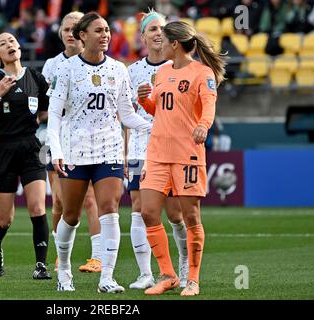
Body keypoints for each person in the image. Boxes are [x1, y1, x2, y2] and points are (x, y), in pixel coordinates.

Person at [47, 12, 152, 293]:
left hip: (109, 149)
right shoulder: (66, 70)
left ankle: (107, 277)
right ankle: (65, 271)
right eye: (98, 31)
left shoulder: (118, 69)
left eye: (107, 30)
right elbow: (54, 116)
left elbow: (126, 114)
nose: (105, 35)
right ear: (82, 36)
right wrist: (55, 150)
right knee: (70, 215)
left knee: (110, 210)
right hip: (75, 150)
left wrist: (155, 126)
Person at [137, 20, 226, 296]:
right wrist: (144, 101)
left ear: (174, 44)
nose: (159, 44)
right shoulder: (162, 73)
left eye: (162, 40)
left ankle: (193, 280)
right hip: (157, 153)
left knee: (190, 216)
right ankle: (168, 275)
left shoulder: (203, 73)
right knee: (148, 211)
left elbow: (209, 106)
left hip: (187, 153)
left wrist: (203, 125)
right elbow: (161, 110)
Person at [0, 32, 51, 280]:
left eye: (12, 41)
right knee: (4, 218)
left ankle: (41, 266)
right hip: (3, 149)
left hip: (32, 147)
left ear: (19, 46)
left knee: (38, 206)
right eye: (2, 43)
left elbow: (46, 110)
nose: (9, 45)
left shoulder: (35, 78)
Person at [125, 9, 188, 290]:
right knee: (139, 209)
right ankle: (146, 273)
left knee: (175, 213)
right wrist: (125, 153)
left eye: (162, 28)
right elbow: (125, 115)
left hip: (172, 147)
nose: (158, 33)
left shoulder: (181, 66)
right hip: (140, 147)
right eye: (152, 29)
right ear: (143, 37)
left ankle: (185, 268)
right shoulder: (132, 71)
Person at [42, 11, 101, 274]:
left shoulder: (100, 64)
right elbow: (49, 107)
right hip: (58, 139)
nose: (70, 33)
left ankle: (98, 256)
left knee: (90, 199)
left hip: (89, 140)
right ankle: (60, 255)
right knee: (59, 202)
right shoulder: (52, 66)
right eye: (66, 29)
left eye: (74, 28)